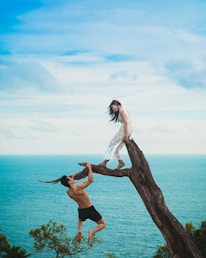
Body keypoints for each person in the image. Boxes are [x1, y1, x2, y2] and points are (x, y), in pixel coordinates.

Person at [43, 162, 106, 243]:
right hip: (90, 209)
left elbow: (71, 186)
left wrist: (73, 177)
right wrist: (89, 168)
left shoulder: (68, 192)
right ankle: (92, 232)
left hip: (81, 210)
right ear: (69, 182)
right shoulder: (79, 188)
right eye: (70, 179)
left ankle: (79, 231)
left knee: (80, 220)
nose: (72, 179)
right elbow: (91, 180)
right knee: (102, 224)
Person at [99, 100, 132, 170]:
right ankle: (120, 162)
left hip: (124, 130)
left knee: (111, 145)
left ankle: (105, 163)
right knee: (115, 148)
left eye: (113, 107)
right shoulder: (125, 110)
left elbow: (126, 123)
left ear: (116, 104)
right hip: (127, 130)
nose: (113, 110)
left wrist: (125, 135)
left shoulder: (122, 111)